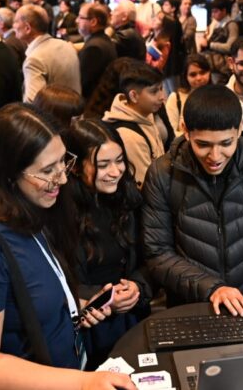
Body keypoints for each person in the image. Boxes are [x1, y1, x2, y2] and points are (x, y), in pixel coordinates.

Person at [0, 104, 136, 390]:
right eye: (47, 171)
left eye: (62, 162)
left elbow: (29, 299)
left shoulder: (31, 213)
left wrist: (77, 306)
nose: (62, 178)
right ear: (8, 174)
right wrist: (83, 383)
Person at [142, 85, 243, 319]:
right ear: (185, 131)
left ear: (239, 129)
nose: (215, 156)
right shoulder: (163, 174)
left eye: (226, 143)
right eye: (203, 145)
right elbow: (157, 252)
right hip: (192, 305)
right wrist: (212, 288)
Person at [62, 119, 153, 369]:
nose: (115, 172)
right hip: (87, 327)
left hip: (133, 319)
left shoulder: (130, 199)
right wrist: (99, 298)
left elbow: (152, 258)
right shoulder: (60, 213)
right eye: (103, 165)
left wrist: (137, 287)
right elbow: (55, 281)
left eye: (119, 160)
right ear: (75, 167)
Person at [102, 62, 168, 187]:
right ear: (133, 96)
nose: (162, 97)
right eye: (154, 91)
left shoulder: (146, 113)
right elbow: (146, 185)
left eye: (161, 88)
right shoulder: (129, 136)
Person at [14, 4, 81, 102]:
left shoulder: (34, 60)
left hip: (54, 112)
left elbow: (34, 104)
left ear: (27, 28)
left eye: (16, 21)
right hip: (76, 109)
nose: (13, 26)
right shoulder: (66, 46)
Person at [77, 3, 118, 102]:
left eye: (81, 17)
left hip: (92, 105)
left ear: (93, 22)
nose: (77, 20)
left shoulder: (94, 48)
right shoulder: (102, 40)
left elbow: (83, 84)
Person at [166, 54, 211, 137]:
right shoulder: (175, 98)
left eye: (202, 72)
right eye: (193, 75)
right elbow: (171, 132)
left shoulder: (218, 96)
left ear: (209, 72)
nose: (199, 78)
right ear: (186, 77)